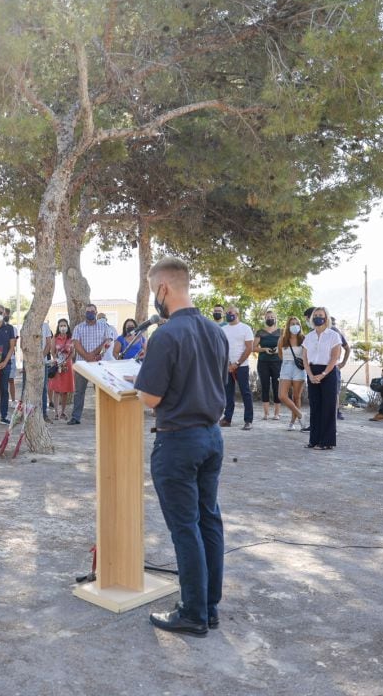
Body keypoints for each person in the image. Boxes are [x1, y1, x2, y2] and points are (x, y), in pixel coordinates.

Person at [134, 257, 228, 638]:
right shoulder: (215, 331)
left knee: (185, 528)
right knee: (209, 521)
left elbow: (150, 398)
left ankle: (192, 612)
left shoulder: (168, 335)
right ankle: (209, 606)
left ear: (163, 290)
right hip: (211, 436)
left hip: (178, 440)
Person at [303, 307, 342, 450]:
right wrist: (310, 374)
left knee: (328, 407)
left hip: (328, 372)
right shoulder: (309, 336)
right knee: (315, 407)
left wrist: (324, 374)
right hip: (312, 372)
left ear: (326, 318)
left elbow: (334, 357)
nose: (318, 317)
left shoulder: (333, 335)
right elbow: (305, 358)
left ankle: (326, 441)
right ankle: (314, 439)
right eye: (316, 315)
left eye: (321, 315)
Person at [67, 304, 111, 425]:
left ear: (96, 312)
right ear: (85, 313)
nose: (90, 313)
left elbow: (107, 341)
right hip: (82, 364)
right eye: (88, 311)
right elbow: (76, 343)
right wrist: (87, 356)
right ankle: (76, 417)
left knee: (101, 391)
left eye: (92, 311)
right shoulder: (79, 327)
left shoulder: (104, 326)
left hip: (98, 364)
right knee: (79, 391)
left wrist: (96, 354)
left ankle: (103, 417)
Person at [220, 305, 255, 430]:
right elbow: (222, 348)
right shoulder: (223, 329)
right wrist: (228, 364)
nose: (228, 314)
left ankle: (248, 420)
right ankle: (227, 418)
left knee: (245, 392)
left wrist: (237, 363)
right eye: (226, 313)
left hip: (242, 366)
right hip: (227, 367)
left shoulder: (245, 328)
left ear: (237, 313)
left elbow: (249, 348)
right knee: (228, 393)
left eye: (230, 312)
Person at [277, 316, 306, 431]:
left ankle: (293, 423)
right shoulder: (282, 339)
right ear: (288, 326)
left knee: (296, 397)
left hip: (299, 368)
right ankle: (300, 415)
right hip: (286, 367)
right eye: (292, 324)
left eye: (297, 323)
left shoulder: (304, 339)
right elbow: (280, 354)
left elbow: (306, 355)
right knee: (282, 396)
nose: (295, 326)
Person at [254, 310, 282, 420]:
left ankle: (277, 413)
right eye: (268, 317)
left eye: (272, 317)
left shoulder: (281, 332)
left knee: (277, 387)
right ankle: (266, 413)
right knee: (265, 386)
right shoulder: (260, 332)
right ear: (265, 319)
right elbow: (253, 347)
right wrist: (264, 349)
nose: (270, 318)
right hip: (263, 363)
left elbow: (286, 346)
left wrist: (277, 350)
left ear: (275, 318)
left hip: (278, 363)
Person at [49, 318, 75, 421]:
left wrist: (66, 361)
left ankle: (63, 412)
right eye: (61, 325)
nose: (63, 327)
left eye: (64, 325)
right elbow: (52, 351)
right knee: (56, 390)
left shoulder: (71, 338)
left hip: (67, 366)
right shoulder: (55, 338)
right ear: (58, 327)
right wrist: (57, 360)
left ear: (67, 327)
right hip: (57, 366)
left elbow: (72, 352)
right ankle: (56, 413)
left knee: (65, 391)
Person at [4, 306, 19, 401]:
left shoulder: (13, 329)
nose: (5, 316)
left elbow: (14, 344)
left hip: (11, 359)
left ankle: (13, 400)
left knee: (11, 380)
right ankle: (2, 400)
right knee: (1, 382)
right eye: (4, 314)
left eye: (7, 314)